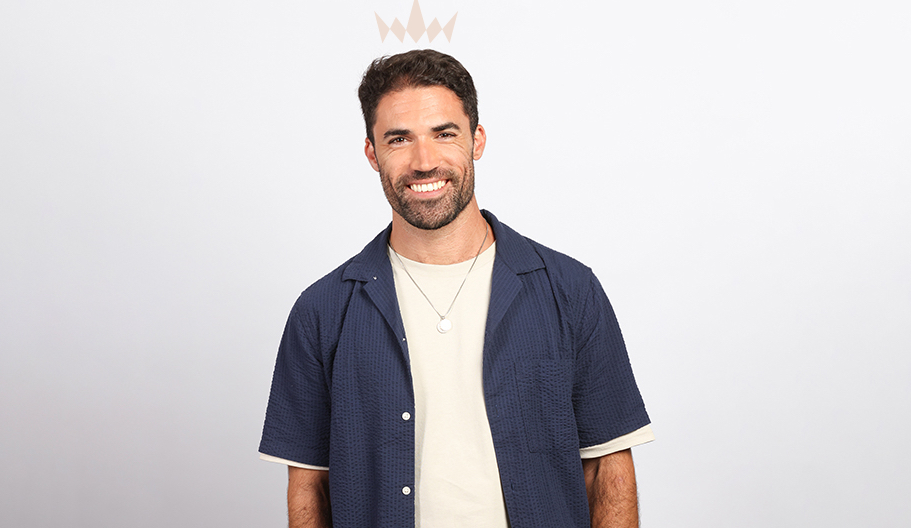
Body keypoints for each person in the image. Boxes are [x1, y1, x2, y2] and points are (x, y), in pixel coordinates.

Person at [258, 49, 653, 528]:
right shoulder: (322, 311)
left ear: (477, 140)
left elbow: (608, 470)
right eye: (399, 139)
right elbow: (310, 488)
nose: (424, 161)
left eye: (444, 134)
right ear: (372, 154)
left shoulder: (570, 290)